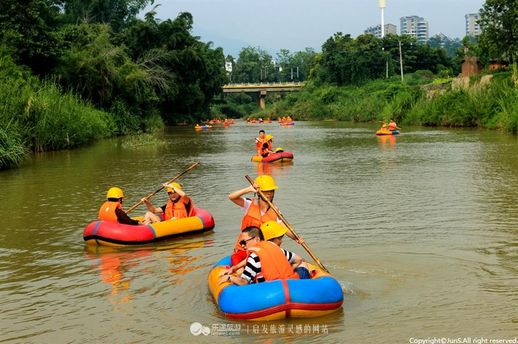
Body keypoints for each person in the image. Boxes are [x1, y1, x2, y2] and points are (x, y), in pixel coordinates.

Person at [228, 175, 299, 266]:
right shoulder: (249, 204)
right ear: (258, 192)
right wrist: (249, 189)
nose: (269, 193)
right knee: (239, 268)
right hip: (244, 248)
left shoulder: (275, 211)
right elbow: (231, 197)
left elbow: (284, 228)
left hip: (262, 251)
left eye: (271, 191)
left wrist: (296, 238)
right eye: (266, 191)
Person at [219, 221, 310, 285]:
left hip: (270, 291)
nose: (243, 246)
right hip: (290, 286)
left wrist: (229, 278)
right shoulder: (277, 248)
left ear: (257, 239)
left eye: (244, 242)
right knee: (303, 263)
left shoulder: (253, 257)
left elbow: (244, 282)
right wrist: (291, 269)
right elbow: (298, 259)